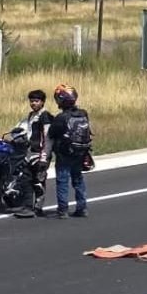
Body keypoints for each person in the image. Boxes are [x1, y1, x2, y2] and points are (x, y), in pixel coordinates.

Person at [45, 84, 93, 218]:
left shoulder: (61, 118)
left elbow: (51, 133)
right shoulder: (83, 114)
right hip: (80, 152)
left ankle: (63, 209)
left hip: (64, 153)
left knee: (62, 181)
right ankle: (82, 208)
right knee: (78, 180)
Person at [9, 89, 54, 218]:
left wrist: (44, 158)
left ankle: (38, 208)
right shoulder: (30, 116)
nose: (33, 103)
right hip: (29, 154)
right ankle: (27, 207)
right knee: (25, 180)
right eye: (32, 101)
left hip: (40, 155)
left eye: (36, 101)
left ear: (43, 102)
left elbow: (48, 138)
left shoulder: (45, 117)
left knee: (39, 182)